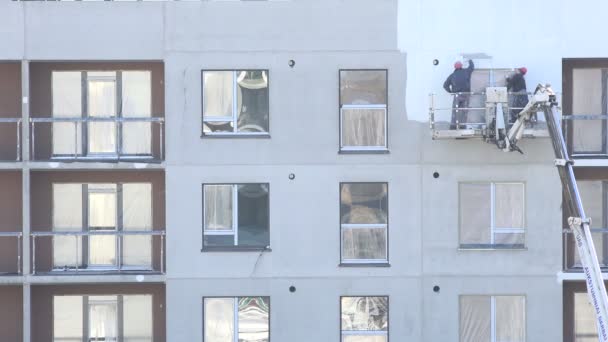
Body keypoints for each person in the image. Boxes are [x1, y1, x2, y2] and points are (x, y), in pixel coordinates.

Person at [443, 59, 475, 129]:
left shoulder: (452, 75)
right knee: (464, 111)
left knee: (455, 111)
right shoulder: (466, 72)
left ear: (455, 67)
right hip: (466, 95)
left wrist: (451, 92)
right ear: (461, 66)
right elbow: (472, 67)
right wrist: (470, 60)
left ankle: (453, 126)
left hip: (457, 95)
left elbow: (445, 85)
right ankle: (463, 127)